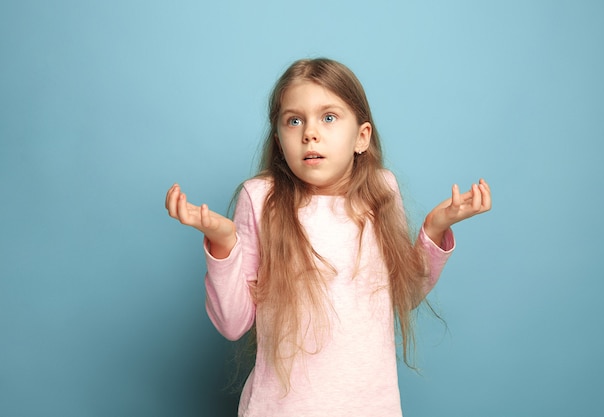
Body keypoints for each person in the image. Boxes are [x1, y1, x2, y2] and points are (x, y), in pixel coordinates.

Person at [165, 58, 491, 417]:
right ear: (278, 138)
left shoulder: (383, 191)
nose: (310, 133)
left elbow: (403, 294)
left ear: (361, 137)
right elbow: (232, 324)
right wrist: (224, 245)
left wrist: (434, 230)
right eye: (294, 120)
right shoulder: (260, 198)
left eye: (329, 117)